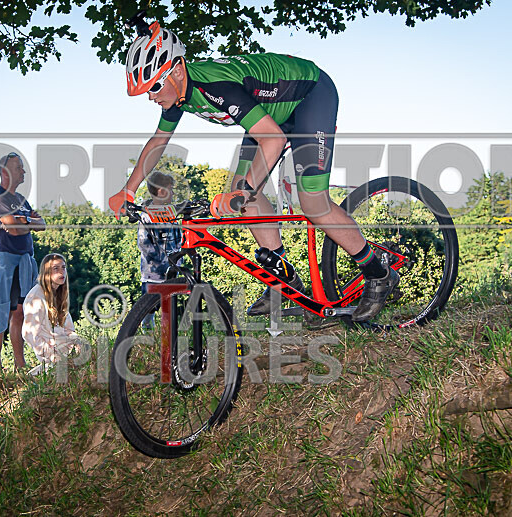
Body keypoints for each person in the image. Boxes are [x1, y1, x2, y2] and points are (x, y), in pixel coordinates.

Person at [109, 22, 398, 322]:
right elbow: (159, 141)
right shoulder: (178, 95)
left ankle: (378, 274)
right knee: (242, 191)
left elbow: (273, 140)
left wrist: (241, 194)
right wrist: (127, 190)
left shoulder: (217, 87)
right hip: (269, 115)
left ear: (177, 71)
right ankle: (283, 276)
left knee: (312, 202)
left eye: (154, 86)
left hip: (309, 97)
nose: (151, 96)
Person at [0, 152, 46, 369]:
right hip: (6, 262)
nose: (24, 172)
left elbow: (42, 224)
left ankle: (20, 365)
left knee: (20, 312)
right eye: (19, 167)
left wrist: (22, 221)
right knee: (0, 312)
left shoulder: (21, 200)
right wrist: (25, 221)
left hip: (25, 262)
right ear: (5, 172)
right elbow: (13, 228)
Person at [137, 171, 183, 327]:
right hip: (153, 273)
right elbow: (144, 243)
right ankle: (147, 329)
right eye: (171, 189)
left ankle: (167, 336)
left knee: (169, 307)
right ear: (162, 191)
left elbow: (178, 238)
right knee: (148, 307)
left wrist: (178, 259)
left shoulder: (172, 215)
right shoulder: (146, 216)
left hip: (172, 271)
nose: (173, 193)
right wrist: (160, 261)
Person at [22, 253, 80, 372]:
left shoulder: (59, 294)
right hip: (52, 357)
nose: (61, 272)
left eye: (63, 267)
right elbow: (29, 334)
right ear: (47, 272)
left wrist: (78, 344)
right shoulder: (36, 297)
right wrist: (51, 355)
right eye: (56, 268)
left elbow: (69, 330)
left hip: (66, 355)